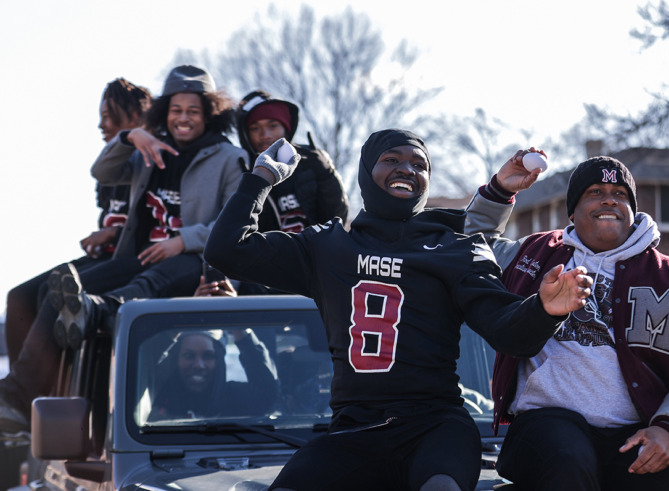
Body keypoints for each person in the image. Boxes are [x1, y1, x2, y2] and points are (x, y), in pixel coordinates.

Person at [203, 129, 593, 491]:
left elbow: (509, 333)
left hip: (435, 427)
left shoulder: (457, 248)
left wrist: (545, 310)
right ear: (366, 170)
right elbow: (226, 250)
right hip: (353, 430)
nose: (406, 169)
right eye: (392, 159)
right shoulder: (329, 246)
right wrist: (262, 178)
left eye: (419, 164)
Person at [464, 152, 669, 490]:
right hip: (546, 426)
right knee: (570, 462)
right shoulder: (531, 254)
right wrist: (499, 191)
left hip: (635, 433)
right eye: (595, 192)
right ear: (573, 212)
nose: (609, 199)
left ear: (632, 210)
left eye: (620, 194)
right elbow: (471, 245)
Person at [0, 65, 247, 436]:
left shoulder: (230, 158)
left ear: (210, 114)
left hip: (196, 261)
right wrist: (130, 137)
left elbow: (238, 224)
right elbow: (101, 172)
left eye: (193, 111)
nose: (183, 118)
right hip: (138, 257)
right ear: (165, 111)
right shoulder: (150, 147)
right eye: (176, 110)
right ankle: (18, 401)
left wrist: (183, 240)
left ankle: (99, 312)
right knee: (60, 286)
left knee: (153, 277)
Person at [3, 78, 150, 366]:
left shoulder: (153, 159)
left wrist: (114, 234)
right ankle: (22, 392)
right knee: (18, 296)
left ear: (135, 117)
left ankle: (43, 393)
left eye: (109, 117)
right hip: (104, 257)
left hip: (135, 260)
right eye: (100, 117)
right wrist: (102, 236)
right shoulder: (109, 164)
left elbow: (158, 225)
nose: (101, 125)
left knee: (53, 294)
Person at [235, 90, 349, 232]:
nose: (265, 135)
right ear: (245, 135)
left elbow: (338, 219)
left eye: (273, 125)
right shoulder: (241, 170)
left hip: (317, 252)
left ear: (286, 128)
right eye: (255, 128)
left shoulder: (313, 160)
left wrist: (326, 174)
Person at [148, 329, 278, 421]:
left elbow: (269, 394)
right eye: (189, 356)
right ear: (176, 358)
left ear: (220, 361)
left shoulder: (236, 398)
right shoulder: (157, 396)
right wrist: (179, 318)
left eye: (208, 356)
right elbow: (142, 367)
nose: (198, 365)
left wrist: (240, 326)